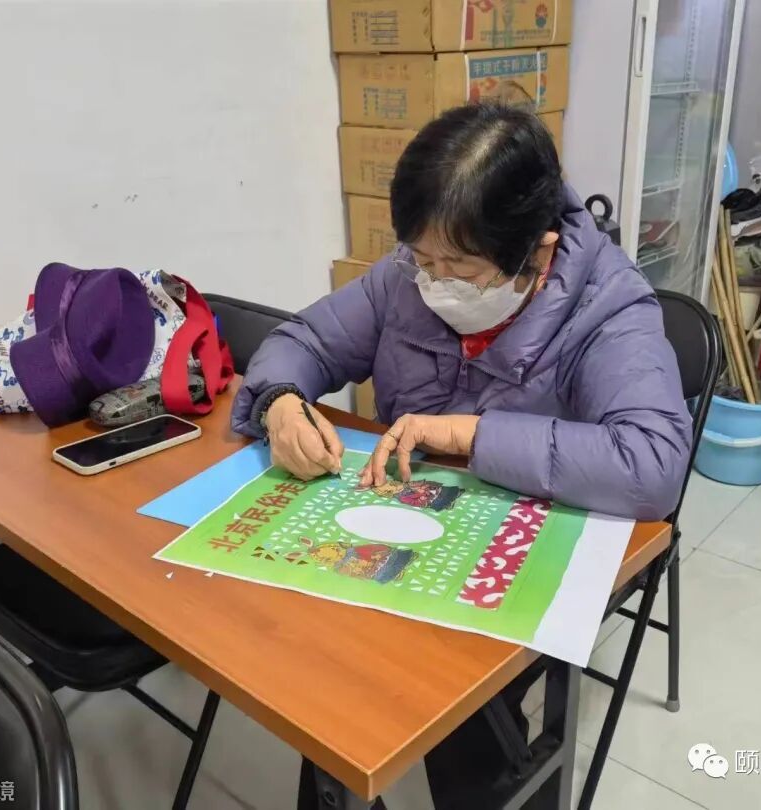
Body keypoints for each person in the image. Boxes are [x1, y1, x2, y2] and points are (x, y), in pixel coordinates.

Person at [232, 103, 692, 806]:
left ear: (537, 251)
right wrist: (280, 402)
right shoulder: (406, 276)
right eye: (424, 259)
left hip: (518, 544)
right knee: (315, 659)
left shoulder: (609, 308)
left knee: (461, 712)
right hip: (398, 517)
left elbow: (653, 465)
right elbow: (306, 341)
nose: (435, 281)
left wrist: (471, 436)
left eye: (461, 268)